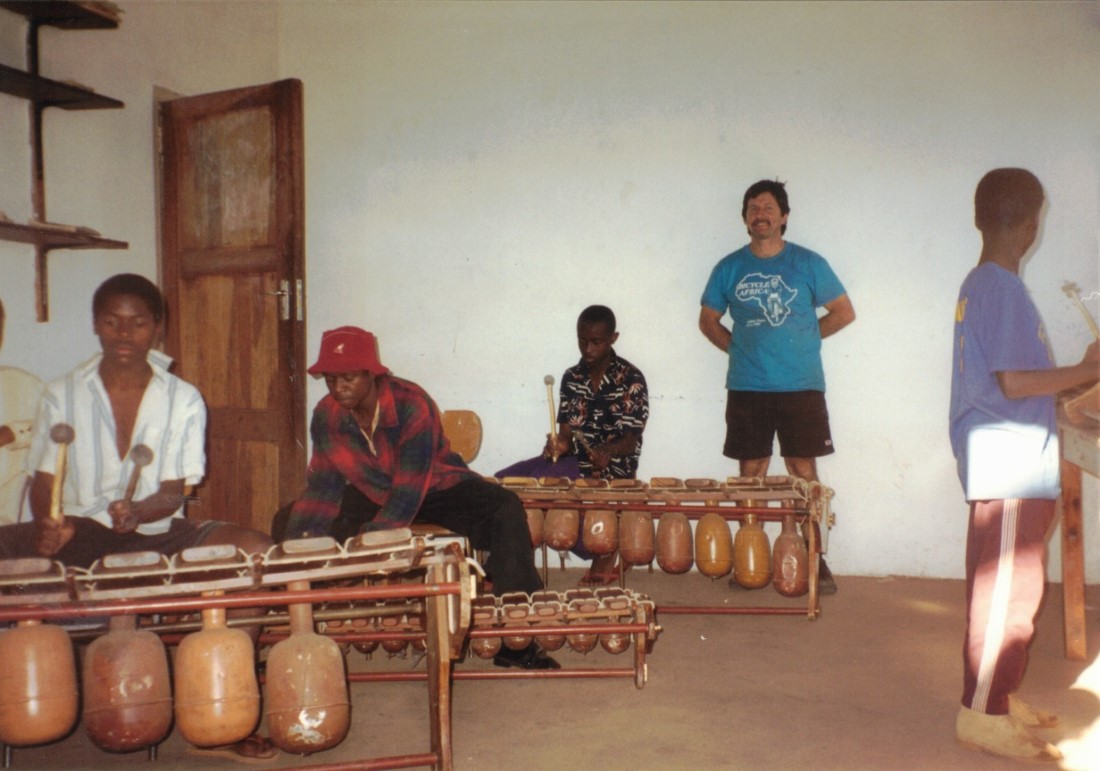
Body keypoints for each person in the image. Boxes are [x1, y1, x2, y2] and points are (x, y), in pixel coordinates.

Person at [0, 274, 277, 763]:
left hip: (155, 534)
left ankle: (222, 706)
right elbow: (44, 478)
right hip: (78, 535)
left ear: (157, 329)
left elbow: (173, 493)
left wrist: (141, 510)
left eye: (138, 323)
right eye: (111, 321)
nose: (123, 334)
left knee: (257, 550)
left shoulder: (182, 399)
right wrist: (50, 523)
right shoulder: (60, 393)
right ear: (95, 324)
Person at [283, 325, 559, 670]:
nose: (338, 388)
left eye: (348, 378)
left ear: (372, 373)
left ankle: (515, 641)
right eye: (329, 379)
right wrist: (297, 547)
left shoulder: (412, 402)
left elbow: (408, 490)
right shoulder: (326, 414)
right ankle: (295, 628)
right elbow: (323, 485)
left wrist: (371, 541)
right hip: (373, 490)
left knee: (506, 508)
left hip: (435, 487)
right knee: (289, 523)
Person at [950, 168, 1098, 762]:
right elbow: (1014, 381)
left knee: (1006, 589)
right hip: (1010, 460)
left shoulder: (984, 282)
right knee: (1009, 595)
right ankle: (982, 715)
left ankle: (997, 698)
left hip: (1005, 457)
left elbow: (1013, 380)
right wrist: (1090, 369)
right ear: (1033, 224)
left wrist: (1077, 387)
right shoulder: (1002, 289)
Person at [699, 179, 855, 593]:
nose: (760, 214)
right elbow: (708, 321)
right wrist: (738, 351)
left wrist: (804, 340)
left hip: (801, 386)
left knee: (803, 472)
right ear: (745, 218)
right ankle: (751, 561)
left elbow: (843, 312)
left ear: (784, 217)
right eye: (752, 208)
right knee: (751, 473)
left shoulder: (808, 263)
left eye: (768, 207)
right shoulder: (728, 267)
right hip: (748, 386)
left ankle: (814, 560)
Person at [496, 305, 649, 585]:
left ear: (613, 338)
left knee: (543, 482)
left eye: (596, 342)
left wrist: (607, 451)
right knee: (502, 482)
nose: (587, 349)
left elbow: (630, 441)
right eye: (582, 340)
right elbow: (566, 434)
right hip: (574, 462)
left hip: (615, 466)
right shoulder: (571, 377)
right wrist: (557, 445)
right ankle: (510, 562)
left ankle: (603, 548)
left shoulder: (631, 378)